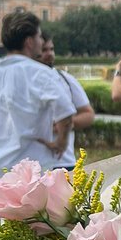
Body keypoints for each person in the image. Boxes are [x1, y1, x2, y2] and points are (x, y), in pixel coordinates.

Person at [0, 10, 76, 184]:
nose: (42, 42)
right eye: (40, 37)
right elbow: (65, 112)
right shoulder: (40, 73)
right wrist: (61, 142)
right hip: (33, 174)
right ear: (29, 41)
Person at [37, 35, 96, 168]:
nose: (49, 54)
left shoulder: (65, 79)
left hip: (64, 162)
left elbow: (88, 114)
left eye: (51, 49)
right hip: (32, 164)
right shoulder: (22, 82)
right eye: (44, 50)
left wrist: (64, 123)